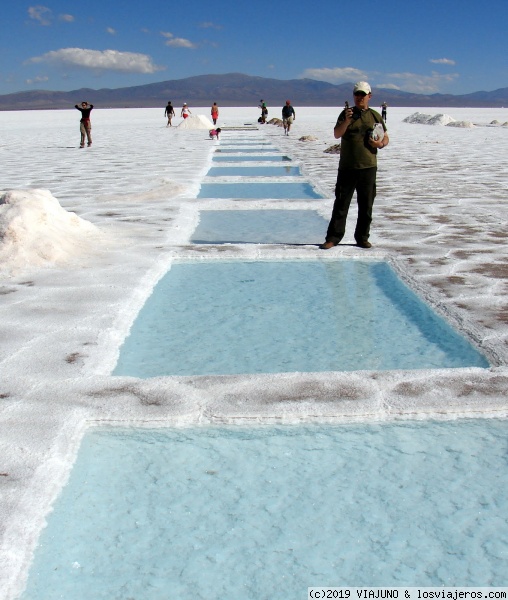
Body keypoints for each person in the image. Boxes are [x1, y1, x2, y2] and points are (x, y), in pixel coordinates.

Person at [320, 81, 389, 250]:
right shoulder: (346, 114)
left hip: (368, 166)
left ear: (369, 96)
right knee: (341, 204)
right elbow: (337, 134)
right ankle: (333, 238)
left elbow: (385, 137)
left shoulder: (375, 116)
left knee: (366, 205)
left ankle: (362, 237)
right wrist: (347, 121)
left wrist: (379, 144)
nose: (359, 98)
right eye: (357, 94)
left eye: (362, 95)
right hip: (347, 167)